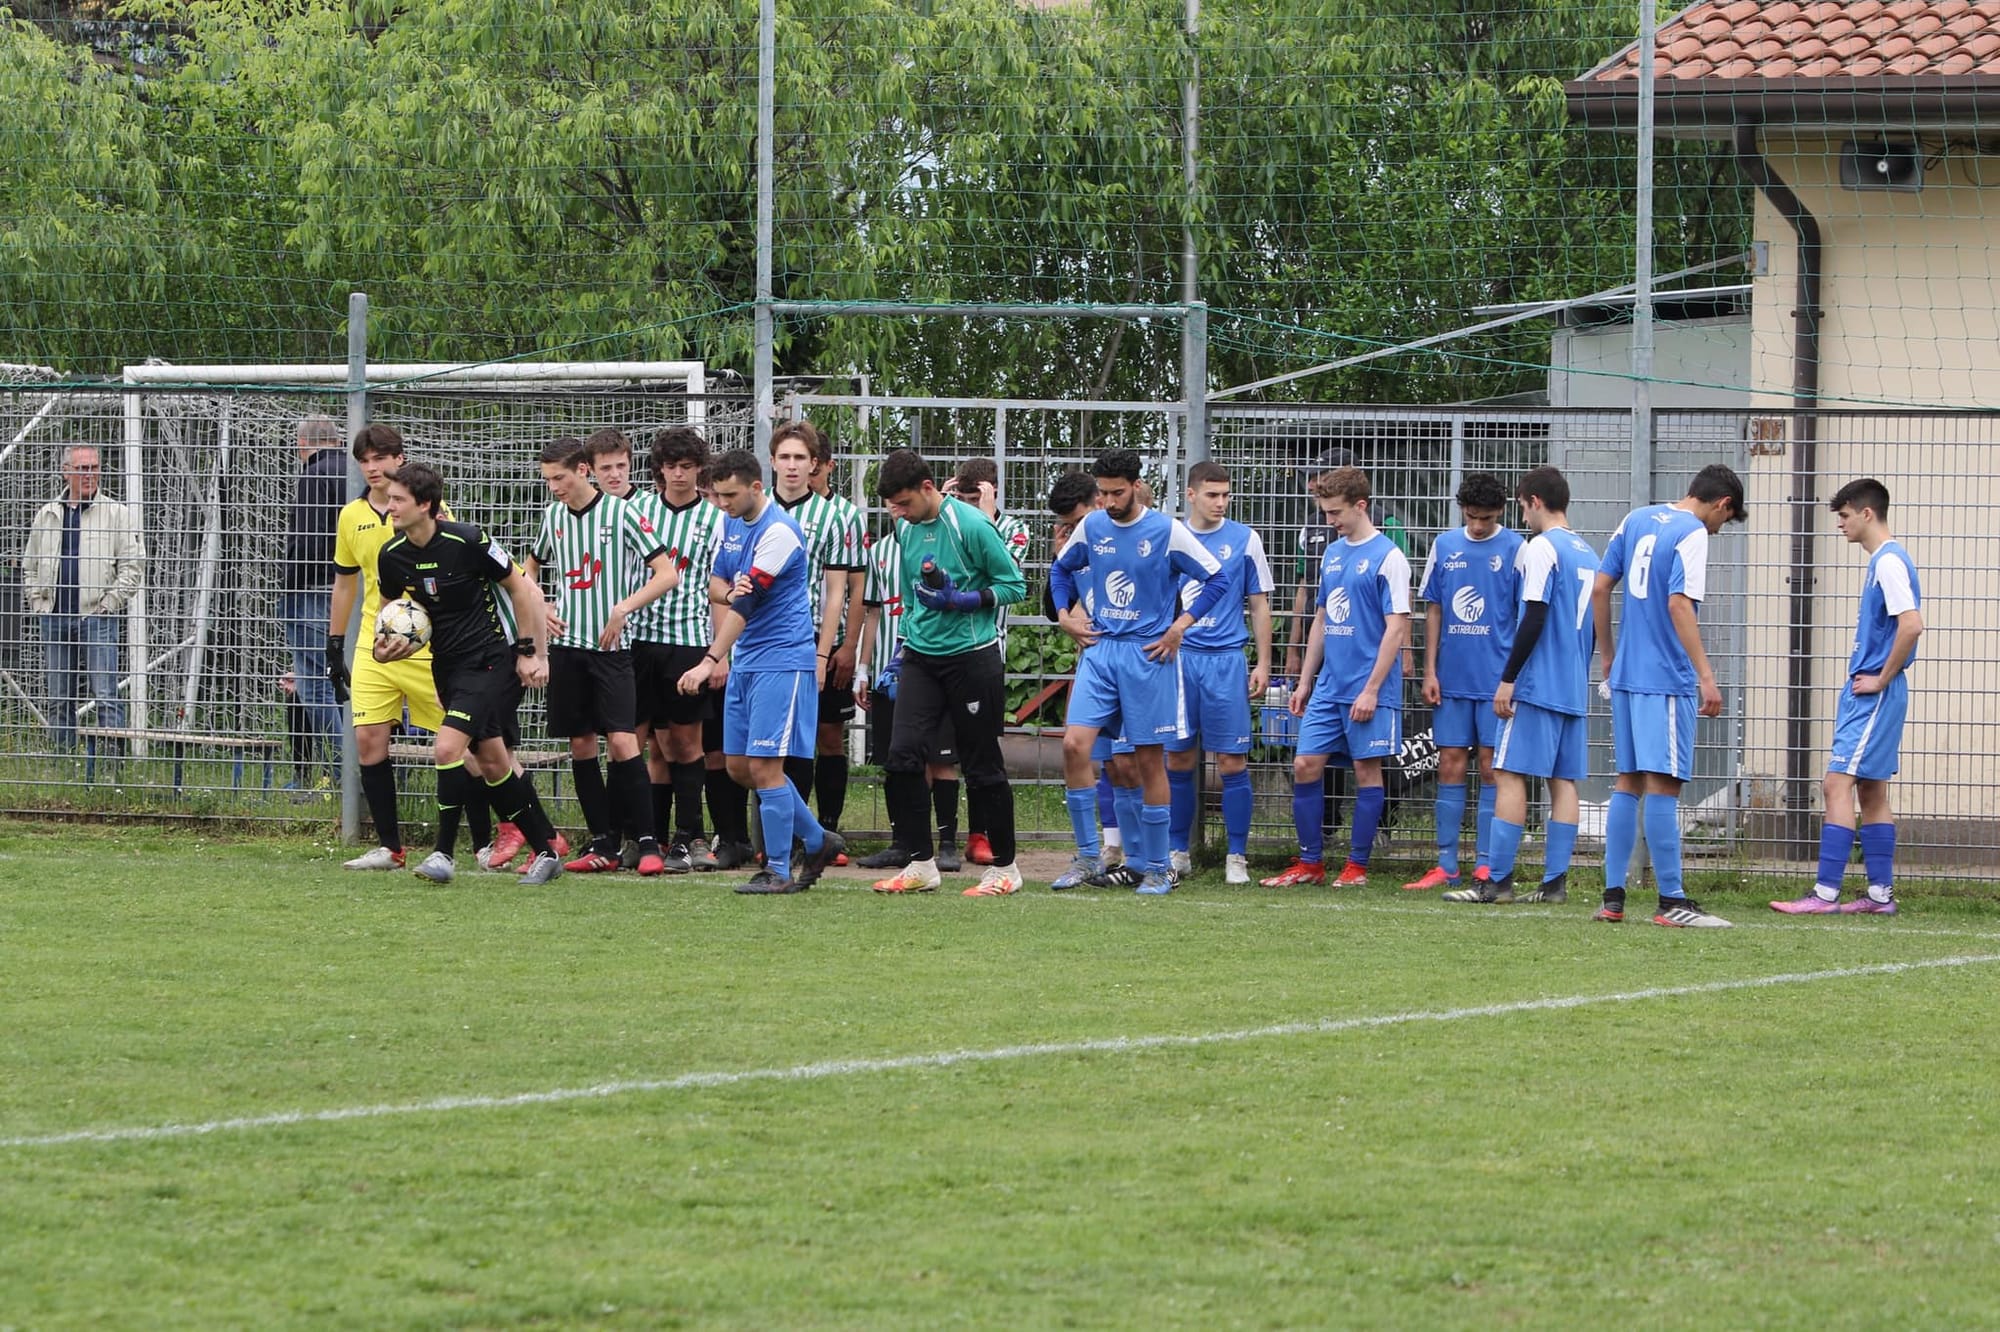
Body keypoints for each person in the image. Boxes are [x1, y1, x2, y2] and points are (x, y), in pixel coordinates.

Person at [372, 462, 566, 885]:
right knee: (493, 762)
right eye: (389, 499)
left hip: (491, 661)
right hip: (446, 666)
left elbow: (520, 587)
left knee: (447, 749)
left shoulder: (469, 540)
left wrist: (530, 651)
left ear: (425, 504)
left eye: (398, 500)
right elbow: (388, 614)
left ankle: (442, 853)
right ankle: (547, 852)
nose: (390, 508)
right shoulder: (392, 555)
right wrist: (382, 650)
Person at [1048, 449, 1227, 896]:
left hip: (1148, 656)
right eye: (1102, 492)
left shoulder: (1167, 531)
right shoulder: (1091, 526)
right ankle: (1089, 857)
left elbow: (1217, 579)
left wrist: (1180, 627)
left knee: (1148, 761)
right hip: (1101, 651)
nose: (1108, 501)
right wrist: (1066, 617)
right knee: (1075, 745)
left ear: (1136, 486)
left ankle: (1157, 865)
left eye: (1116, 492)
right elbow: (1060, 569)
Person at [675, 448, 846, 894]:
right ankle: (817, 839)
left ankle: (777, 868)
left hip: (782, 661)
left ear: (756, 487)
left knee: (766, 767)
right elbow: (715, 586)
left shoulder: (781, 533)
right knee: (737, 767)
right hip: (749, 658)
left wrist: (709, 660)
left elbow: (745, 604)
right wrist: (734, 591)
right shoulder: (731, 522)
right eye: (717, 495)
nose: (722, 503)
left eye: (729, 495)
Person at [865, 450, 1030, 897]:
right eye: (891, 506)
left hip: (972, 657)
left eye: (903, 503)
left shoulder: (972, 525)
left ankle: (1005, 869)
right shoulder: (904, 527)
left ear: (927, 488)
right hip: (920, 655)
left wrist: (964, 601)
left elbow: (1015, 585)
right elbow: (912, 594)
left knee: (981, 766)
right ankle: (921, 864)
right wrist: (902, 647)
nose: (896, 513)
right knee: (900, 756)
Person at [1591, 463, 1747, 928]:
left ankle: (1612, 899)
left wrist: (1608, 655)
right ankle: (1670, 900)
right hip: (1665, 678)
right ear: (1722, 504)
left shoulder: (1637, 517)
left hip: (1627, 674)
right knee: (1664, 784)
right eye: (1725, 520)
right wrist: (1705, 675)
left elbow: (1600, 587)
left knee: (1628, 781)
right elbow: (1679, 603)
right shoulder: (1693, 532)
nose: (1719, 530)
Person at [525, 435, 678, 876]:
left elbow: (666, 574)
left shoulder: (623, 512)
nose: (553, 486)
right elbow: (528, 571)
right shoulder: (553, 516)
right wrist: (544, 605)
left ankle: (647, 842)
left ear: (582, 472)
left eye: (559, 478)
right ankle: (602, 844)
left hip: (612, 649)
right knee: (580, 742)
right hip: (568, 649)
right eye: (548, 479)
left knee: (624, 740)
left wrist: (624, 606)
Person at [1445, 466, 1597, 904]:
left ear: (1533, 501)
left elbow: (1534, 615)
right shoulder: (1586, 550)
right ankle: (1554, 885)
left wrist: (1508, 678)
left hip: (1538, 683)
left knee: (1509, 774)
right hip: (1571, 684)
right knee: (1563, 781)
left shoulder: (1541, 547)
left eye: (1523, 506)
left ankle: (1498, 883)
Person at [1772, 478, 1923, 917]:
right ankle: (1879, 897)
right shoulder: (1886, 561)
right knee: (1873, 790)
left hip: (1873, 693)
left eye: (1843, 516)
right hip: (1876, 692)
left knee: (1836, 783)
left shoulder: (1889, 562)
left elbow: (1911, 625)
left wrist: (1880, 678)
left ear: (1866, 513)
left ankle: (1825, 894)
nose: (1840, 524)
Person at [1264, 466, 1412, 889]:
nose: (1329, 521)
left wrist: (1371, 689)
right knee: (1305, 764)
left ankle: (1357, 867)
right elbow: (1323, 618)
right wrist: (1306, 680)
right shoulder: (1331, 554)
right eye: (1325, 512)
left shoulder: (1390, 558)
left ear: (1360, 506)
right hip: (1329, 685)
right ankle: (1310, 863)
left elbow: (1396, 627)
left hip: (1369, 688)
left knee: (1367, 773)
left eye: (1334, 513)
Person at [589, 425, 725, 874]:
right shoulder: (638, 508)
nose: (679, 475)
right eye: (671, 466)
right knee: (630, 742)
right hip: (634, 641)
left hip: (686, 641)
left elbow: (720, 586)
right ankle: (633, 836)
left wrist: (718, 654)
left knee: (684, 745)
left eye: (688, 467)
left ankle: (688, 838)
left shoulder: (715, 518)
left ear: (699, 469)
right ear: (659, 469)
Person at [1404, 472, 1522, 891]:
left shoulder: (1516, 548)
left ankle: (1487, 865)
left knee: (1492, 768)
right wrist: (1430, 669)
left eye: (1487, 518)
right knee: (1450, 764)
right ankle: (1445, 865)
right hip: (1451, 678)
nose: (1478, 525)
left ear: (1501, 512)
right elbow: (1432, 610)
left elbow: (1524, 616)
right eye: (1471, 517)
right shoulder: (1445, 545)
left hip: (1495, 682)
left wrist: (1513, 678)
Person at [1165, 461, 1274, 885]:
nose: (1220, 502)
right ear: (1190, 495)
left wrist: (1264, 662)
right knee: (1178, 757)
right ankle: (1178, 851)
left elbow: (1259, 603)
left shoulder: (1246, 539)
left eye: (1226, 495)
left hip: (1227, 660)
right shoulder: (1169, 536)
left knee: (1231, 760)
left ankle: (1236, 856)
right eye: (1212, 494)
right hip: (1180, 660)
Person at [937, 456, 1033, 868]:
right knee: (938, 747)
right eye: (964, 495)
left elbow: (1008, 578)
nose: (969, 501)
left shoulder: (1013, 529)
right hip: (940, 649)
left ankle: (982, 834)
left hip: (985, 650)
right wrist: (942, 507)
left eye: (977, 495)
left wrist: (987, 516)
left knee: (980, 748)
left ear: (992, 491)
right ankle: (936, 840)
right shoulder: (943, 521)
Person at [24, 444, 145, 751]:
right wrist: (38, 602)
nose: (90, 474)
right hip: (55, 616)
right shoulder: (47, 513)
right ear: (66, 472)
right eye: (83, 469)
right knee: (58, 699)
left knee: (106, 696)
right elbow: (30, 564)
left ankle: (111, 770)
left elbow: (133, 566)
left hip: (97, 617)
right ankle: (62, 764)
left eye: (94, 467)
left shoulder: (118, 513)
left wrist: (109, 604)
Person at [280, 416, 347, 788]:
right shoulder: (353, 475)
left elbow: (306, 541)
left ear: (302, 444)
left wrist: (289, 583)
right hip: (346, 587)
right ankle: (344, 769)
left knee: (315, 684)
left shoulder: (314, 474)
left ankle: (345, 770)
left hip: (312, 588)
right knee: (332, 681)